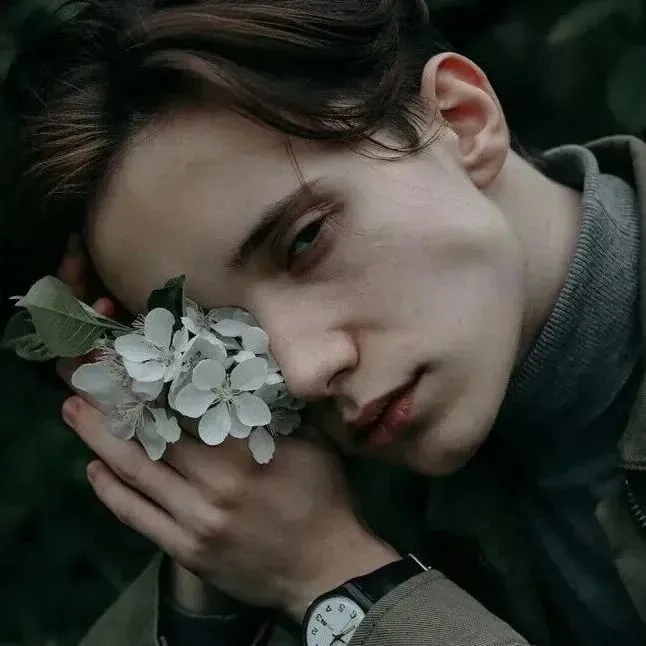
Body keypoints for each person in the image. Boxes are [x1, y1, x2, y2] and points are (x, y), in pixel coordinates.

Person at [3, 0, 646, 644]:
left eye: (306, 241)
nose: (302, 372)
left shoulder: (331, 534)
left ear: (459, 120)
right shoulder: (327, 495)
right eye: (222, 339)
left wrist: (338, 581)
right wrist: (213, 577)